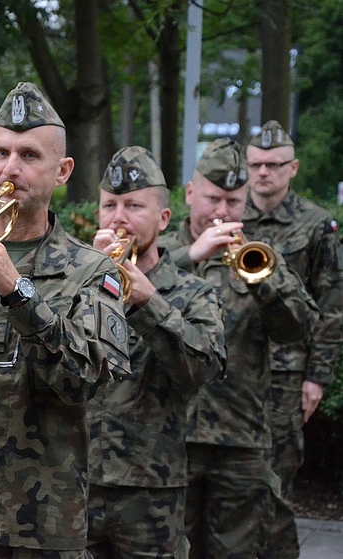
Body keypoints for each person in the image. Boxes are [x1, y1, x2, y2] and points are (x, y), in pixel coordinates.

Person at [0, 81, 130, 559]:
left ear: (62, 171)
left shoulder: (93, 272)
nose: (10, 168)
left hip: (38, 526)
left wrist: (16, 289)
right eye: (1, 152)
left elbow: (82, 382)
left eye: (29, 155)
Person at [160, 138, 315, 559]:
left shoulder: (261, 256)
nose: (222, 212)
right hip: (170, 437)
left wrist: (264, 282)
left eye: (233, 201)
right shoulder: (158, 254)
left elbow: (298, 328)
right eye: (213, 199)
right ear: (191, 194)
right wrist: (190, 256)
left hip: (240, 438)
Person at [87, 147, 226, 558]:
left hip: (152, 490)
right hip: (75, 482)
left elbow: (205, 369)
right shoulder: (78, 283)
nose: (119, 218)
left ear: (163, 219)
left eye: (134, 206)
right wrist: (87, 277)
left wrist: (152, 305)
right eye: (109, 206)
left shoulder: (194, 293)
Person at [241, 120, 343, 559]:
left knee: (276, 486)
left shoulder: (317, 225)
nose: (264, 172)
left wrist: (317, 377)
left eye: (274, 164)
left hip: (285, 374)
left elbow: (332, 306)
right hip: (228, 367)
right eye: (256, 164)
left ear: (293, 168)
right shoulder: (226, 215)